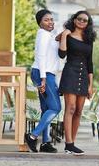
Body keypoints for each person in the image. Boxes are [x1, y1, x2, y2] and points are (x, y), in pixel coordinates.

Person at [58, 10, 96, 155]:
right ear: (74, 20)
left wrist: (90, 85)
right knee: (71, 108)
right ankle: (68, 143)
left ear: (88, 23)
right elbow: (61, 54)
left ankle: (72, 144)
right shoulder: (67, 35)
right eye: (79, 19)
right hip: (70, 73)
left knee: (79, 111)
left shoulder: (88, 39)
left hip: (84, 76)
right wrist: (64, 35)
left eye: (85, 20)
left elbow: (90, 62)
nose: (81, 21)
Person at [25, 9, 61, 153]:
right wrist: (43, 79)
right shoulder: (43, 35)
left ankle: (45, 143)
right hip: (43, 74)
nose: (50, 22)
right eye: (46, 20)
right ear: (40, 23)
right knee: (55, 108)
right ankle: (32, 136)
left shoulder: (49, 35)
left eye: (51, 19)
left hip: (42, 73)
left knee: (46, 108)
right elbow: (40, 56)